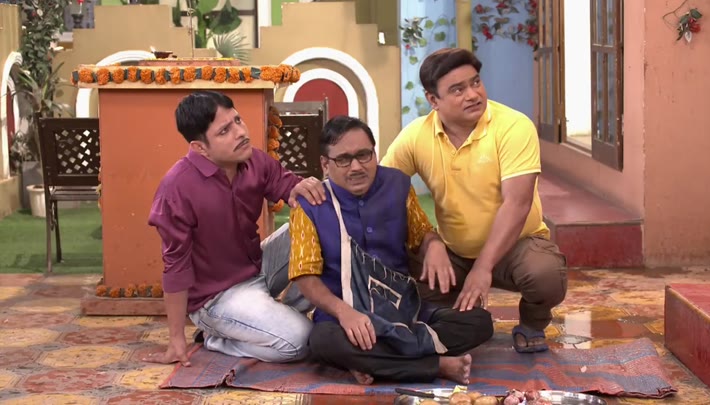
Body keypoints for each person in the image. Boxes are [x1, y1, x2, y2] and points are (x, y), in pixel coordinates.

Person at [381, 48, 567, 353]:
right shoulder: (416, 135)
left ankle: (532, 322)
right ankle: (458, 316)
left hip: (516, 247)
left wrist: (483, 267)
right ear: (433, 100)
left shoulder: (513, 126)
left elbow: (517, 204)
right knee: (397, 259)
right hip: (453, 251)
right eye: (458, 89)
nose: (473, 95)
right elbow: (384, 189)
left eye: (476, 82)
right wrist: (430, 241)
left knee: (545, 275)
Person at [288, 115, 494, 385]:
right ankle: (434, 366)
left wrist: (434, 245)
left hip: (405, 312)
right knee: (323, 341)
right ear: (325, 164)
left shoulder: (398, 185)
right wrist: (343, 312)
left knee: (479, 322)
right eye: (344, 160)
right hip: (346, 316)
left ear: (375, 153)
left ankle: (368, 360)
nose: (356, 167)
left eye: (364, 155)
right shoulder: (310, 204)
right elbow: (305, 276)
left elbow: (422, 233)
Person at [144, 90, 326, 366]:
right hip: (217, 296)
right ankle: (216, 339)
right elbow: (175, 267)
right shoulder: (176, 188)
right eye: (224, 131)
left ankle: (276, 318)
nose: (240, 132)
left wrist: (304, 188)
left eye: (238, 120)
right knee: (300, 342)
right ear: (200, 148)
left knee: (319, 220)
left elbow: (289, 187)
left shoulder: (254, 161)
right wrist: (176, 340)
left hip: (258, 267)